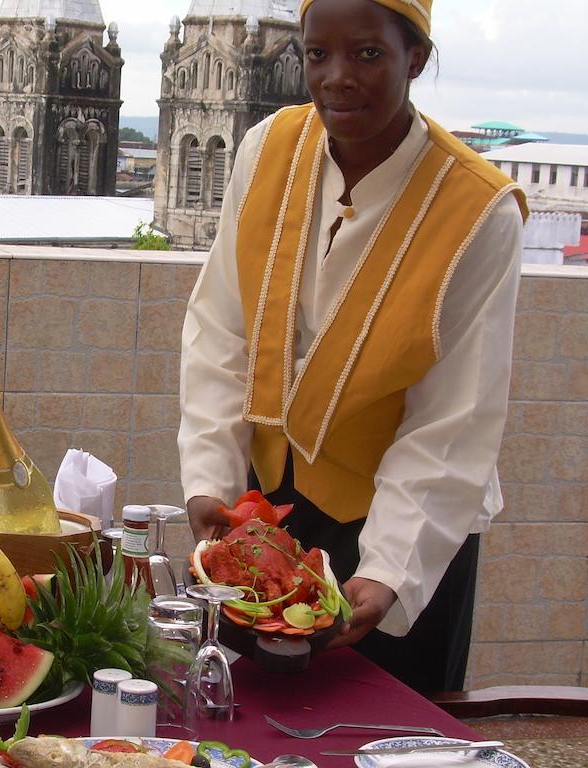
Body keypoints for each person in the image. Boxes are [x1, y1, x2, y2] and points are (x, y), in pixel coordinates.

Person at [178, 0, 527, 693]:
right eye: (317, 55)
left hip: (406, 523)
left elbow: (453, 419)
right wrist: (211, 483)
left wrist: (389, 571)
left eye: (368, 54)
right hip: (267, 513)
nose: (338, 77)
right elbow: (222, 328)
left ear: (416, 58)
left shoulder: (478, 212)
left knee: (385, 736)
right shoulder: (267, 148)